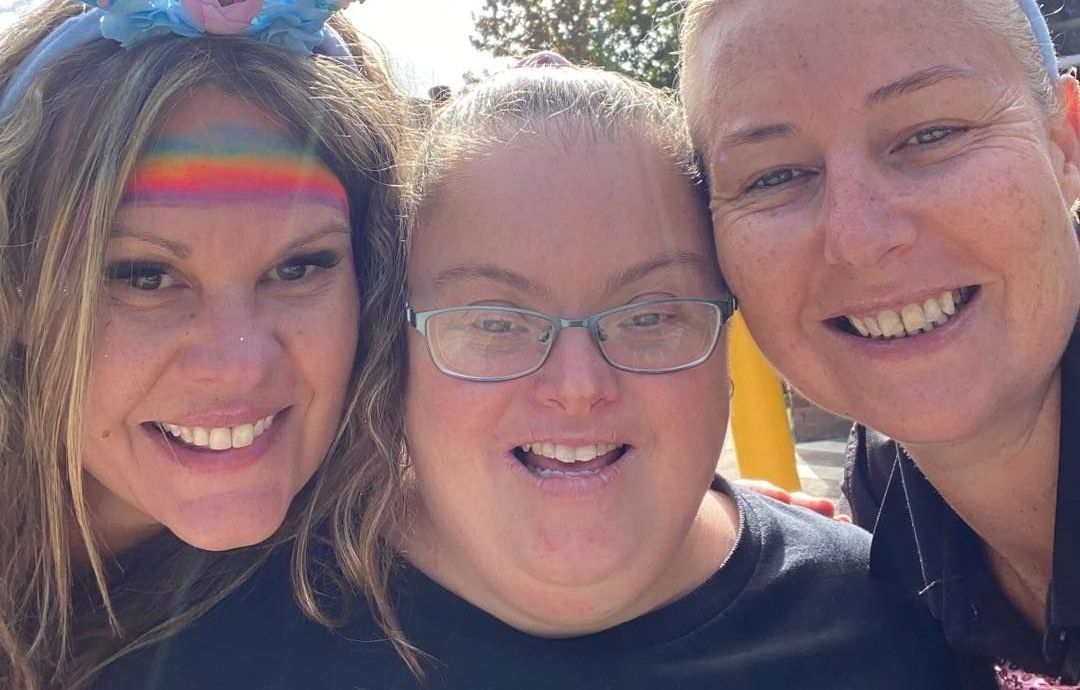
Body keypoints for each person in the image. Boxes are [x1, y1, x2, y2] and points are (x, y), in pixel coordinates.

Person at [101, 61, 958, 689]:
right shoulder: (192, 646)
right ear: (390, 351)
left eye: (651, 314)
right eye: (495, 324)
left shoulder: (893, 619)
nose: (577, 385)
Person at [618, 0, 1080, 685]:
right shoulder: (883, 506)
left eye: (931, 135)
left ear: (1065, 142)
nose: (862, 237)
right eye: (776, 176)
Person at [0, 0, 432, 687]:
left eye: (300, 267)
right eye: (144, 276)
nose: (239, 362)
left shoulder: (414, 618)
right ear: (11, 294)